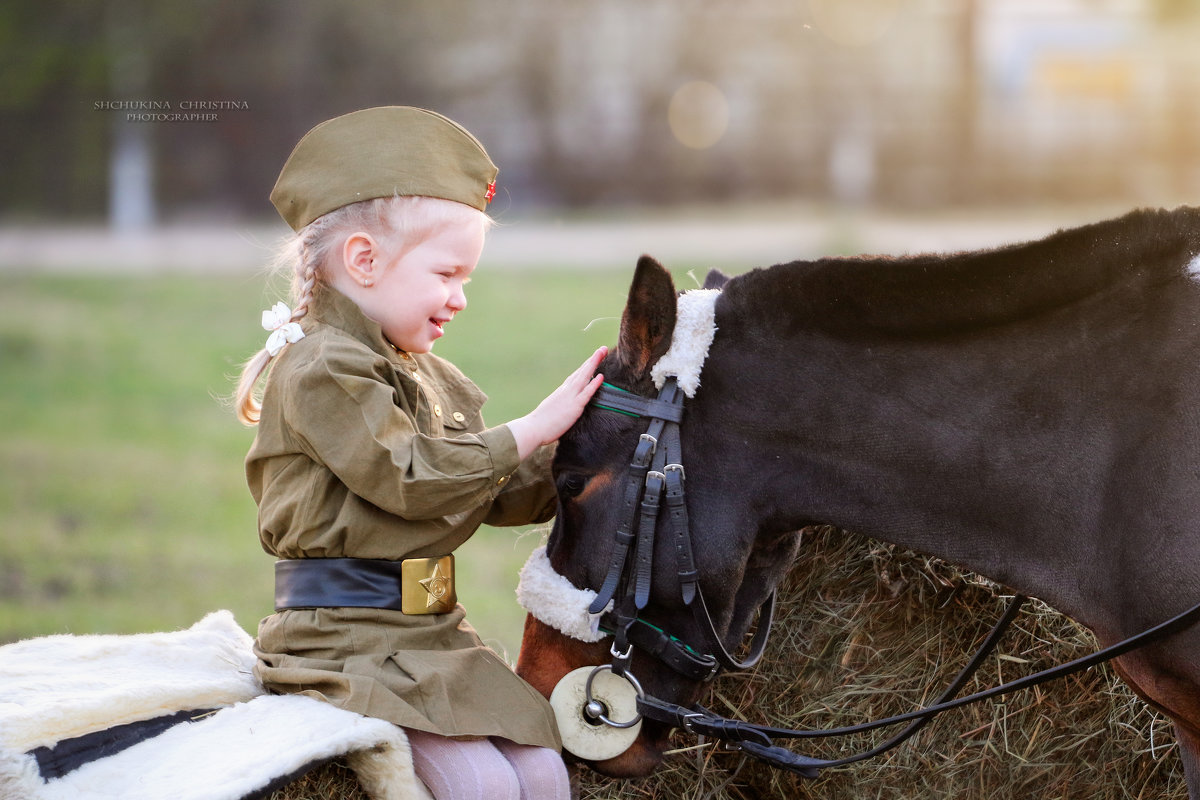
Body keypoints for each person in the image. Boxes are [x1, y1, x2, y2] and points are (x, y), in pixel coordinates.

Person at [233, 106, 604, 800]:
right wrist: (531, 427)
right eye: (447, 273)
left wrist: (589, 440)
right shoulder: (324, 367)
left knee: (544, 773)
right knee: (482, 785)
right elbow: (414, 480)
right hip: (344, 643)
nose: (460, 298)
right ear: (364, 261)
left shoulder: (421, 374)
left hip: (429, 634)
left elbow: (494, 493)